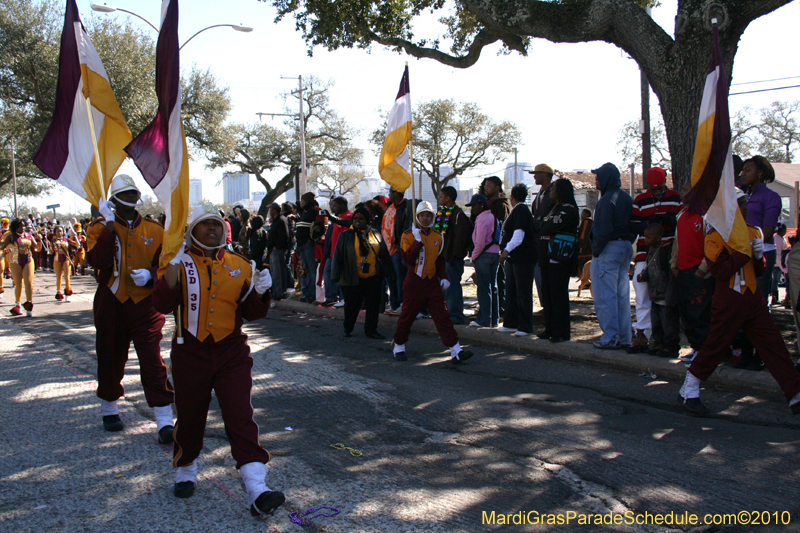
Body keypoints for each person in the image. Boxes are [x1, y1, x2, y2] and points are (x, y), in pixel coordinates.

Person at [152, 204, 284, 515]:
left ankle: (256, 487)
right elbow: (160, 303)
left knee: (240, 415)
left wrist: (263, 292)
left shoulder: (241, 264)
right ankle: (185, 468)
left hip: (231, 353)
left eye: (216, 224)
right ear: (191, 231)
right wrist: (169, 273)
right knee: (191, 414)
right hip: (190, 352)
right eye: (204, 224)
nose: (213, 229)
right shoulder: (178, 262)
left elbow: (252, 314)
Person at [679, 190, 800, 417]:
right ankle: (690, 388)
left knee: (773, 344)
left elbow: (761, 269)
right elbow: (720, 270)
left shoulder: (753, 231)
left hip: (752, 297)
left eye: (745, 203)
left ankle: (795, 393)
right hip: (729, 298)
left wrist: (757, 258)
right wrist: (745, 253)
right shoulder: (715, 235)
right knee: (716, 345)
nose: (746, 207)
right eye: (741, 204)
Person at [86, 175, 175, 439]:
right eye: (123, 194)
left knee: (152, 359)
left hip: (145, 304)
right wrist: (109, 227)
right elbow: (98, 261)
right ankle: (109, 407)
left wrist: (151, 275)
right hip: (111, 300)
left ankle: (164, 419)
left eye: (132, 194)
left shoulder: (154, 229)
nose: (129, 199)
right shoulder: (98, 229)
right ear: (113, 200)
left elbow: (166, 265)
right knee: (110, 356)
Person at [391, 202, 473, 363]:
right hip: (414, 282)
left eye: (428, 215)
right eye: (422, 215)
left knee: (442, 316)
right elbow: (407, 259)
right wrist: (417, 241)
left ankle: (456, 349)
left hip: (432, 284)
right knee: (407, 316)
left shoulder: (438, 236)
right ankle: (399, 346)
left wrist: (443, 276)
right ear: (417, 217)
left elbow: (440, 261)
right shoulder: (408, 235)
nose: (426, 218)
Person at [627, 166, 681, 354]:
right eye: (654, 189)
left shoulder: (675, 197)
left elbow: (682, 221)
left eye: (660, 189)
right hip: (645, 252)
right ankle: (643, 334)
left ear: (666, 181)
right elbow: (633, 225)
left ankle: (665, 339)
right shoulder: (640, 200)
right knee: (641, 291)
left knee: (666, 298)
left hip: (669, 252)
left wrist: (669, 219)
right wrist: (649, 224)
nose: (657, 192)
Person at [590, 163, 635, 349]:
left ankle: (610, 337)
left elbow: (602, 229)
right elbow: (635, 224)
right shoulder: (627, 198)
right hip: (625, 246)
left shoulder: (607, 200)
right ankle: (625, 337)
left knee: (605, 296)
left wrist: (597, 250)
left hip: (608, 248)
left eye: (598, 177)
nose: (596, 181)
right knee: (621, 296)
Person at [332, 206, 394, 338]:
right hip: (352, 277)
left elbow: (384, 254)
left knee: (373, 306)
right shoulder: (345, 235)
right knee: (351, 306)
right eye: (355, 218)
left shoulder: (376, 234)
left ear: (367, 220)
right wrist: (335, 275)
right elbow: (337, 256)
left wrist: (390, 273)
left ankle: (371, 330)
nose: (357, 220)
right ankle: (348, 328)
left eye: (361, 218)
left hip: (373, 277)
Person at [670, 181, 714, 364]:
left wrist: (703, 269)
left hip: (700, 273)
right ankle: (695, 347)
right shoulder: (681, 215)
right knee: (687, 313)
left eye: (686, 189)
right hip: (682, 272)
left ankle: (705, 350)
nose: (682, 192)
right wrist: (674, 264)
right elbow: (677, 243)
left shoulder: (706, 215)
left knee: (701, 313)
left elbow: (711, 244)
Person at [534, 178, 579, 343]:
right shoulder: (552, 207)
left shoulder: (568, 209)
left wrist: (543, 225)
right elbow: (538, 224)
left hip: (560, 256)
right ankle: (549, 328)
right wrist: (543, 225)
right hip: (546, 255)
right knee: (547, 293)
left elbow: (548, 227)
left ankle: (561, 332)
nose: (551, 191)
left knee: (558, 294)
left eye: (553, 189)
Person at [498, 183, 537, 337]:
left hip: (522, 259)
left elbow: (518, 236)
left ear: (512, 197)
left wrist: (506, 251)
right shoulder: (518, 211)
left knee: (523, 292)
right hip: (515, 259)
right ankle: (511, 322)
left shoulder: (521, 211)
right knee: (512, 291)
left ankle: (526, 325)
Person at [740, 156, 781, 301]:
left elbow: (768, 232)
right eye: (742, 171)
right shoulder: (744, 196)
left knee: (757, 298)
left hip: (762, 252)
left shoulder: (771, 197)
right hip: (742, 251)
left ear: (760, 173)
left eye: (747, 170)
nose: (742, 174)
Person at [637, 223, 679, 357]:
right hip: (654, 295)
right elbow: (652, 269)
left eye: (649, 237)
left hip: (664, 295)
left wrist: (663, 291)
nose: (646, 240)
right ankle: (658, 343)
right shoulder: (650, 251)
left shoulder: (665, 251)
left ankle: (671, 346)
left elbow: (667, 275)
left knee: (668, 323)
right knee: (656, 322)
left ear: (659, 237)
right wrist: (644, 276)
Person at [436, 186, 473, 325]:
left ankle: (456, 315)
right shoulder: (441, 214)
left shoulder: (458, 215)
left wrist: (452, 256)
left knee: (453, 288)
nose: (439, 199)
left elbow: (461, 239)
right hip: (443, 258)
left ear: (448, 198)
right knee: (444, 288)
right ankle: (447, 313)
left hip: (452, 259)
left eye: (441, 196)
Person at [467, 194, 500, 328]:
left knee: (484, 288)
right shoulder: (492, 216)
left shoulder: (481, 219)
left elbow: (479, 243)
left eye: (474, 205)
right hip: (495, 253)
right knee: (494, 287)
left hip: (484, 255)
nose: (473, 209)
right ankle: (494, 319)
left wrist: (473, 256)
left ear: (481, 205)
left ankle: (484, 319)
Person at [479, 176, 510, 316]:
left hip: (494, 248)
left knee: (497, 281)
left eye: (489, 186)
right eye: (485, 186)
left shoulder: (501, 205)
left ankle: (499, 310)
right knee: (486, 283)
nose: (486, 188)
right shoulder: (487, 203)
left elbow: (499, 227)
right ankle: (487, 310)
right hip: (484, 248)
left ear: (497, 187)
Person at [381, 188, 415, 315]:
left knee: (400, 278)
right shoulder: (390, 207)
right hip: (387, 249)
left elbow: (406, 228)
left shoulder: (405, 208)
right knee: (391, 278)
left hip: (397, 249)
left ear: (396, 193)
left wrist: (400, 245)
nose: (388, 195)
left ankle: (402, 303)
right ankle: (394, 304)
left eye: (390, 192)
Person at [528, 164, 556, 309]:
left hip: (549, 241)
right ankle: (545, 307)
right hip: (538, 241)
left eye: (537, 174)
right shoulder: (540, 192)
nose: (534, 176)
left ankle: (550, 307)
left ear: (545, 175)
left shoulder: (553, 192)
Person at [1, 218, 40, 316]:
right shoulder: (10, 236)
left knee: (29, 283)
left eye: (23, 225)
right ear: (15, 227)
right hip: (15, 261)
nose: (22, 228)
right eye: (20, 226)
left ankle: (29, 304)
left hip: (28, 260)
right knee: (18, 284)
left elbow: (36, 248)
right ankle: (18, 304)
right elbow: (2, 246)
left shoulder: (29, 236)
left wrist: (39, 240)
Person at [321, 197, 352, 307]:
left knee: (340, 276)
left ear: (342, 204)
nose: (333, 207)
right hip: (333, 252)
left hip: (341, 253)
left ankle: (343, 298)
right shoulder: (337, 217)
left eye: (335, 205)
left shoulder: (348, 216)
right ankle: (331, 297)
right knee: (328, 273)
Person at [295, 192, 323, 302]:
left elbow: (319, 227)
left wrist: (310, 239)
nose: (300, 202)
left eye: (302, 200)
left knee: (312, 269)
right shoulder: (305, 213)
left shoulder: (315, 211)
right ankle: (306, 293)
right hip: (301, 244)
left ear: (306, 201)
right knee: (304, 269)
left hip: (308, 244)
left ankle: (312, 294)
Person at [267, 203, 291, 300]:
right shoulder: (275, 221)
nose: (269, 211)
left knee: (279, 272)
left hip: (279, 250)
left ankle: (281, 292)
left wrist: (277, 246)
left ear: (275, 210)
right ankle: (276, 292)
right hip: (273, 250)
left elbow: (285, 235)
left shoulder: (281, 220)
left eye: (271, 209)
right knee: (274, 272)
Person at [51, 224, 78, 302]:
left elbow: (77, 244)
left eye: (61, 231)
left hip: (66, 259)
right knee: (58, 277)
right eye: (58, 231)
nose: (59, 233)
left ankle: (67, 293)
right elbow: (50, 252)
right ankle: (58, 292)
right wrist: (50, 245)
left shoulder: (67, 240)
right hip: (57, 259)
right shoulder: (53, 241)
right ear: (55, 232)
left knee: (67, 277)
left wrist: (75, 236)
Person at [772, 223, 788, 307]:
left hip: (778, 263)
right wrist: (781, 264)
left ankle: (775, 297)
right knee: (775, 280)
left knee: (776, 280)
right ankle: (774, 298)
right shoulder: (777, 239)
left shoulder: (780, 238)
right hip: (778, 264)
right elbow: (778, 253)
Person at [577, 209, 594, 274]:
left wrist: (581, 245)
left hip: (585, 248)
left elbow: (583, 235)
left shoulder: (586, 221)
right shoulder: (591, 222)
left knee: (581, 263)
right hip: (590, 247)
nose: (581, 215)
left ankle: (584, 279)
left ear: (587, 214)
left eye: (583, 213)